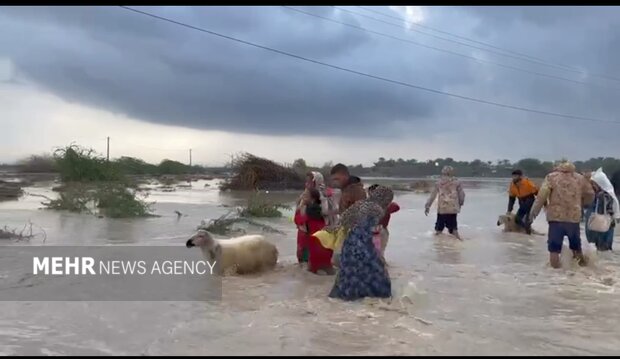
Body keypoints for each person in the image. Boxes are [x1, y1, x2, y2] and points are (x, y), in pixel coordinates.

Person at [328, 185, 393, 301]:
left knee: (349, 269)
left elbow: (343, 220)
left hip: (351, 240)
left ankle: (345, 297)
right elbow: (368, 228)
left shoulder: (360, 204)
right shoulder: (377, 209)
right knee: (374, 270)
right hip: (364, 242)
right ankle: (374, 297)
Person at [529, 160, 595, 268]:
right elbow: (590, 194)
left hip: (556, 218)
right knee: (576, 247)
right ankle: (581, 272)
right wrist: (582, 204)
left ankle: (555, 277)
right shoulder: (580, 178)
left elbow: (541, 196)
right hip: (573, 218)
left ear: (559, 167)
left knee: (554, 249)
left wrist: (533, 213)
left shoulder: (551, 177)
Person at [425, 166, 465, 240]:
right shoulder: (457, 182)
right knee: (454, 229)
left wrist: (427, 206)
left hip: (442, 209)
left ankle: (438, 246)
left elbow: (432, 196)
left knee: (439, 230)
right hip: (453, 209)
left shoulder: (438, 183)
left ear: (442, 173)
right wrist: (460, 203)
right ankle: (460, 243)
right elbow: (461, 195)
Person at [300, 188, 335, 274]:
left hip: (316, 235)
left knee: (314, 265)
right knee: (325, 264)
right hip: (322, 235)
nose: (303, 197)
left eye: (306, 196)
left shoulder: (312, 208)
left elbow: (302, 219)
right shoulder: (317, 207)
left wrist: (301, 205)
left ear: (313, 198)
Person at [585, 168, 620, 251]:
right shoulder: (610, 194)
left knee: (601, 248)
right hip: (606, 226)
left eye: (594, 184)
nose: (592, 185)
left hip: (601, 227)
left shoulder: (601, 196)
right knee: (605, 250)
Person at [368, 184, 400, 262]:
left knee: (376, 254)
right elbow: (396, 207)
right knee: (379, 253)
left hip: (377, 231)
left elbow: (396, 207)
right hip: (380, 230)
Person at [507, 169, 538, 235]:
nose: (514, 178)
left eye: (516, 176)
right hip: (521, 202)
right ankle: (528, 230)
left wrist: (544, 203)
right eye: (513, 176)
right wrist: (509, 210)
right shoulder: (512, 185)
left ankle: (529, 232)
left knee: (525, 220)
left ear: (520, 176)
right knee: (518, 220)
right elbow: (511, 199)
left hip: (530, 201)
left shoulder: (527, 183)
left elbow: (537, 193)